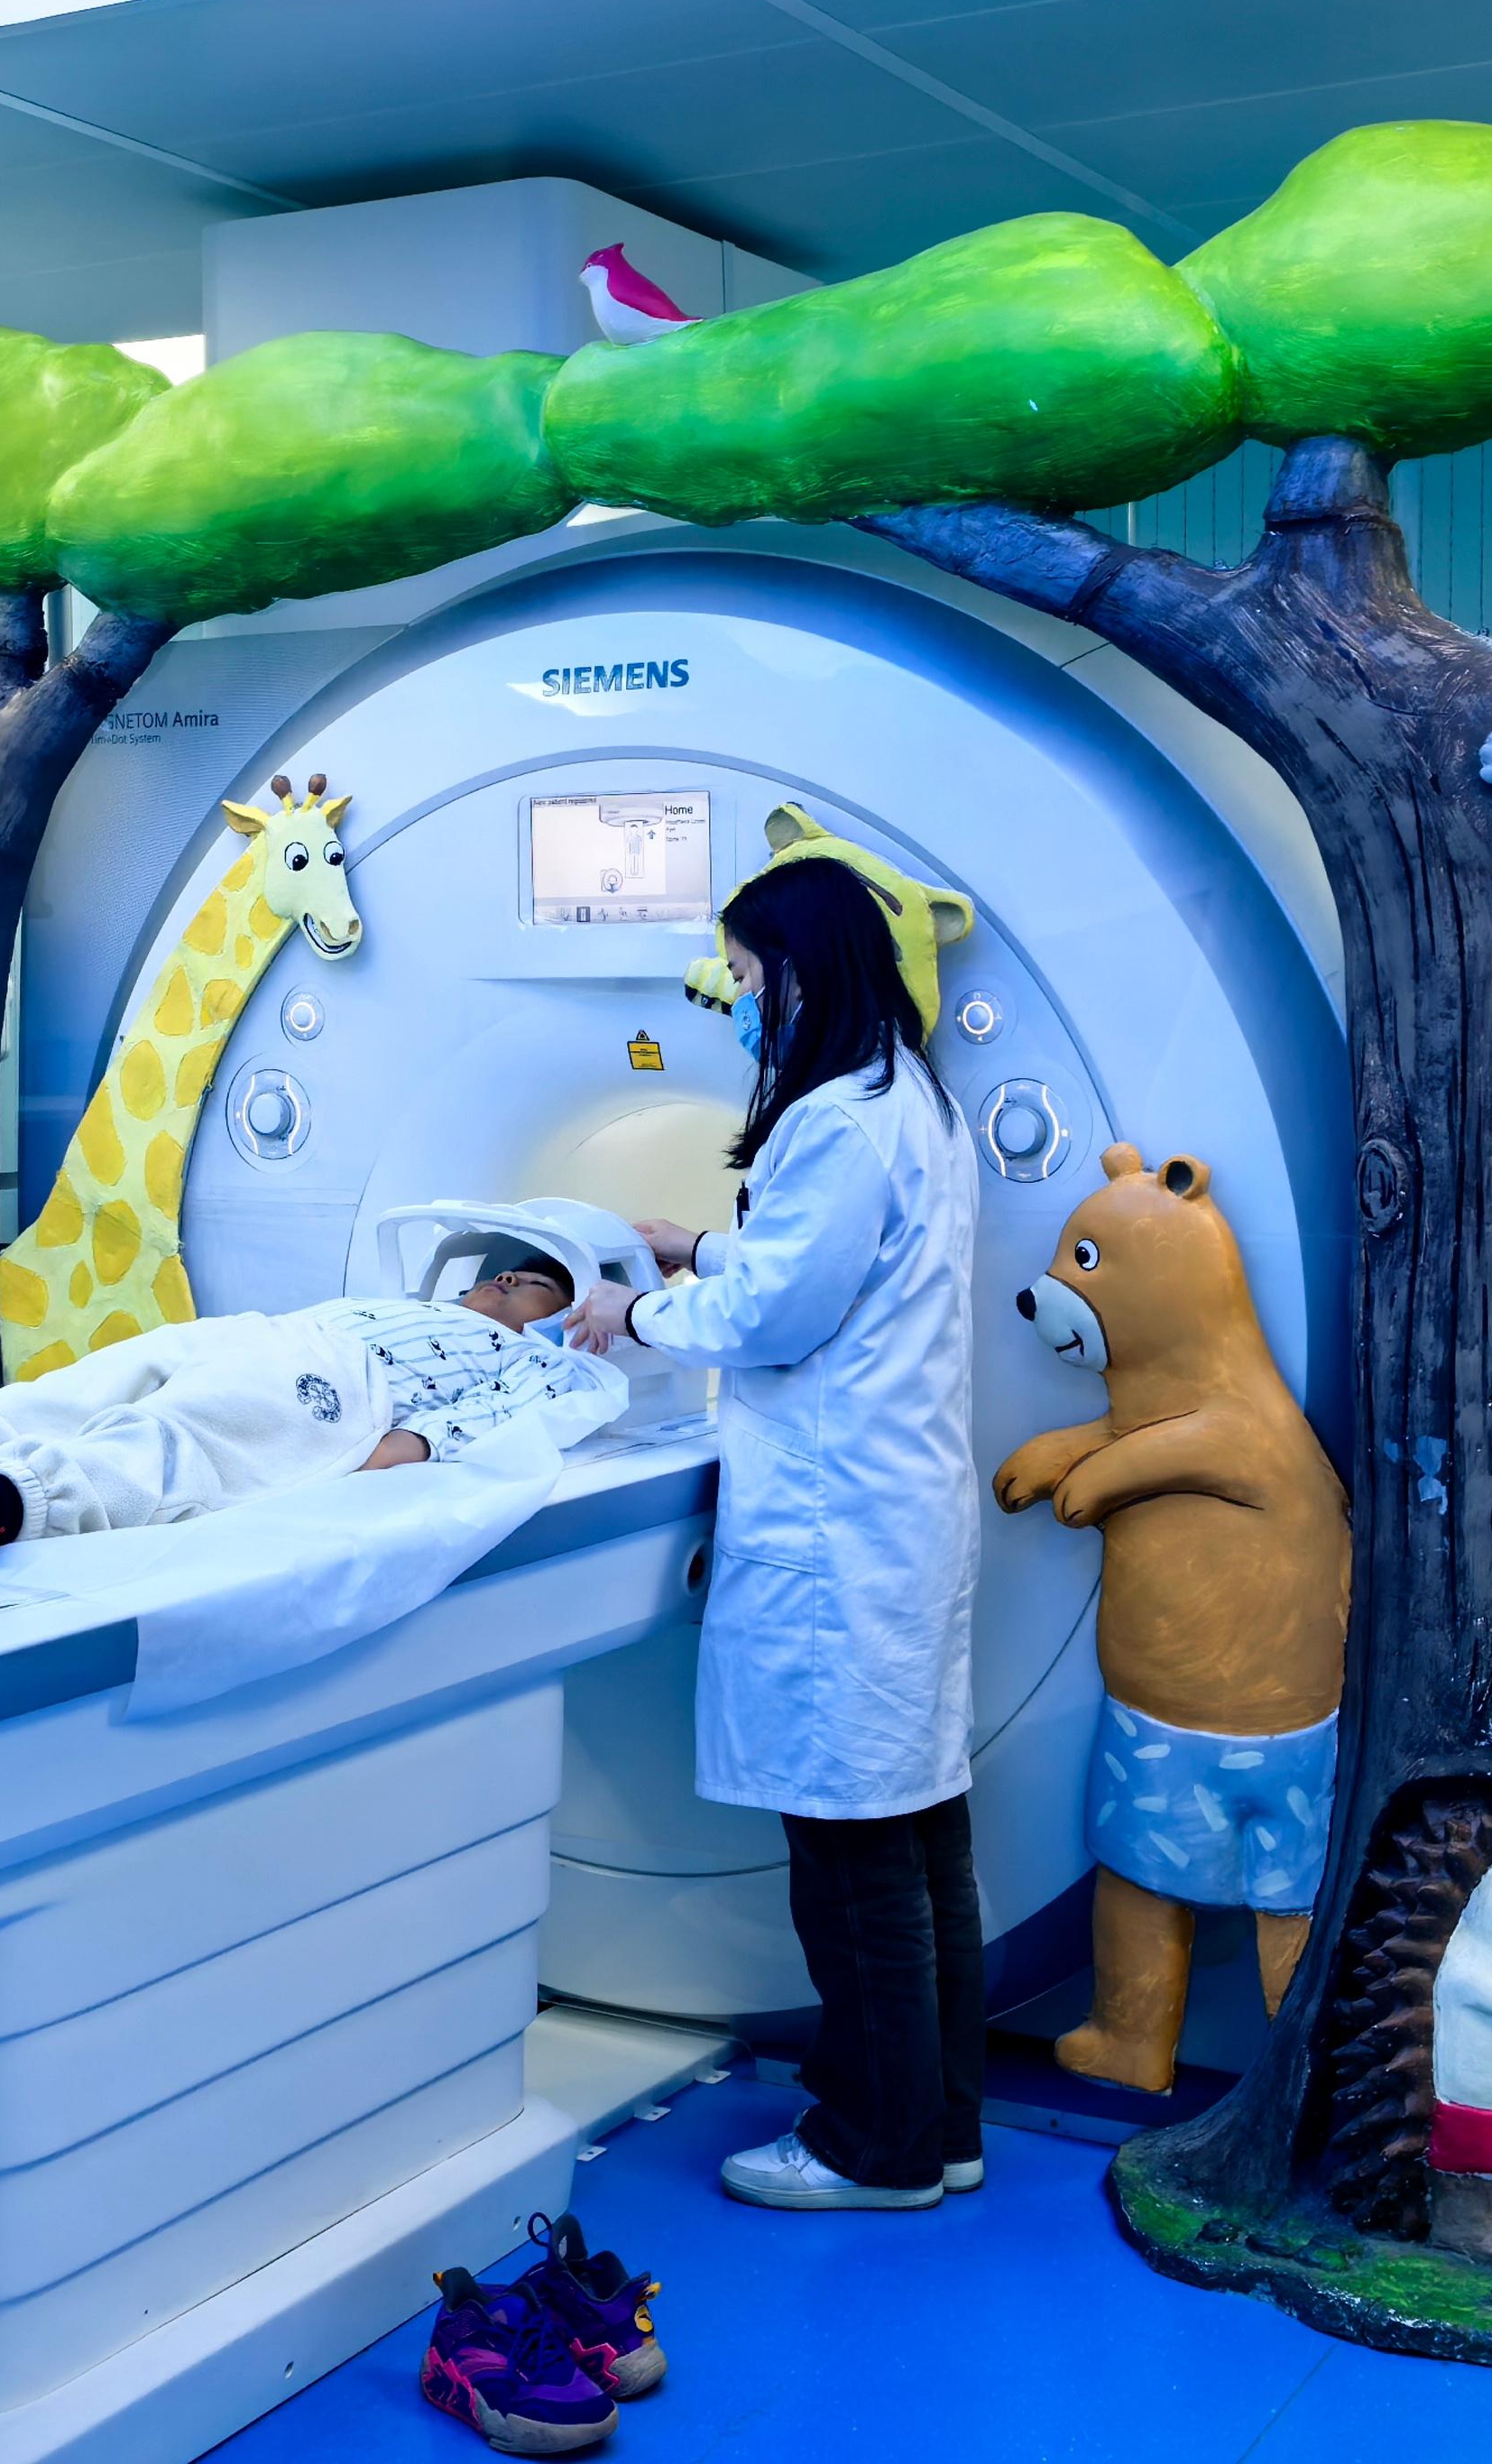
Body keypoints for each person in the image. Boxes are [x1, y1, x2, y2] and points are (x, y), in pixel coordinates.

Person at [566, 854, 985, 2213]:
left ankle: (875, 2149)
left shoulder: (838, 1124)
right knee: (916, 1839)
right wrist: (696, 1248)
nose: (738, 1001)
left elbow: (778, 1318)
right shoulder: (907, 1102)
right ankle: (939, 2126)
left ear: (802, 972)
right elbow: (823, 1270)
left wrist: (633, 1311)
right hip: (893, 1511)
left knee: (852, 1858)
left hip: (839, 1525)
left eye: (746, 976)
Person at [0, 1241, 607, 1575]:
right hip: (269, 1332)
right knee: (48, 1399)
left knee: (171, 1438)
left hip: (344, 1389)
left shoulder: (535, 1358)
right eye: (500, 1272)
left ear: (560, 1318)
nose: (502, 1282)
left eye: (529, 1284)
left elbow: (499, 1418)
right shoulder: (405, 1298)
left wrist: (397, 1451)